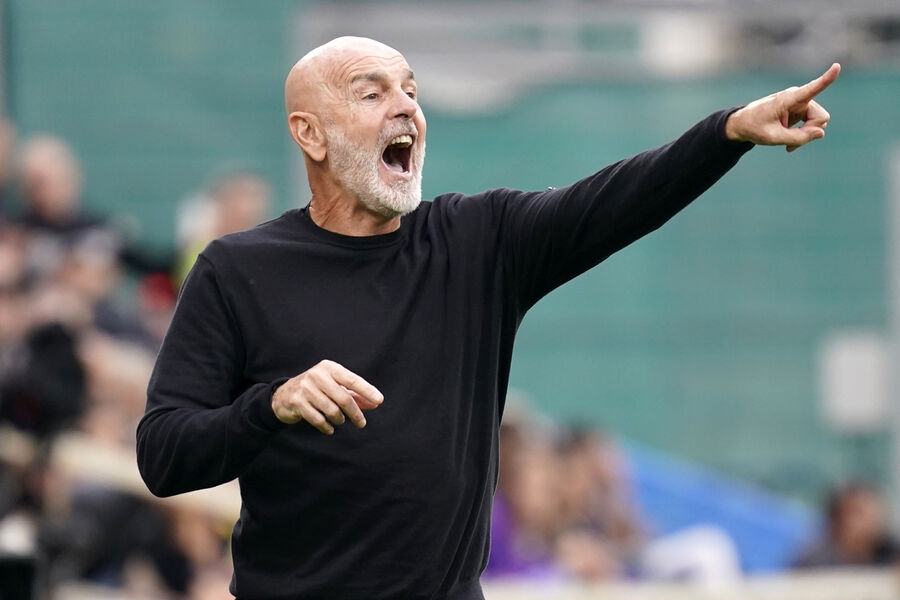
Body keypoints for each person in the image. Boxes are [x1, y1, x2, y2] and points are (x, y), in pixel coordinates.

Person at [136, 36, 839, 600]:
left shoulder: (478, 241)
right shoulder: (236, 270)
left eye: (411, 90)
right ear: (310, 134)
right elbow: (164, 455)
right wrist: (271, 406)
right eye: (372, 93)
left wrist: (728, 133)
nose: (405, 107)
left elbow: (617, 200)